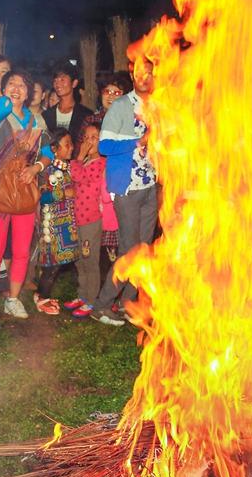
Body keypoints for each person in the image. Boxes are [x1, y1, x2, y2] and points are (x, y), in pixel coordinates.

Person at [0, 70, 50, 326]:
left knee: (21, 250)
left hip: (25, 190)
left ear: (29, 92)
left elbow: (48, 151)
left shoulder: (37, 120)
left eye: (21, 85)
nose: (16, 88)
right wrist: (3, 96)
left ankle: (13, 298)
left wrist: (36, 168)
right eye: (11, 84)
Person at [92, 56, 158, 326]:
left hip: (150, 186)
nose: (145, 77)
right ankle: (102, 304)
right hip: (127, 188)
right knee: (129, 251)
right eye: (140, 72)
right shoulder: (121, 106)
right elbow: (104, 146)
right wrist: (139, 141)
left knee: (143, 250)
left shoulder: (157, 106)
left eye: (150, 73)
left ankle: (128, 304)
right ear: (133, 77)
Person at [33, 129, 79, 315]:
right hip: (53, 227)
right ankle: (41, 296)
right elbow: (41, 197)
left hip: (68, 224)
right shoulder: (48, 170)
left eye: (71, 143)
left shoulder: (68, 167)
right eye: (67, 144)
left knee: (61, 264)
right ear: (54, 149)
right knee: (52, 266)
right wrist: (63, 193)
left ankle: (82, 296)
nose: (72, 147)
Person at [68, 123, 107, 317]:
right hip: (79, 219)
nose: (89, 141)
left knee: (90, 260)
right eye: (87, 137)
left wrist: (79, 156)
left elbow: (77, 176)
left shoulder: (100, 163)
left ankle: (91, 299)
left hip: (91, 220)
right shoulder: (86, 163)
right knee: (80, 260)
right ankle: (82, 295)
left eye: (95, 137)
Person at [42, 62, 91, 144]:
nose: (58, 84)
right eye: (55, 80)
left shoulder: (86, 115)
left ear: (74, 83)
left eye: (62, 79)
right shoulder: (47, 115)